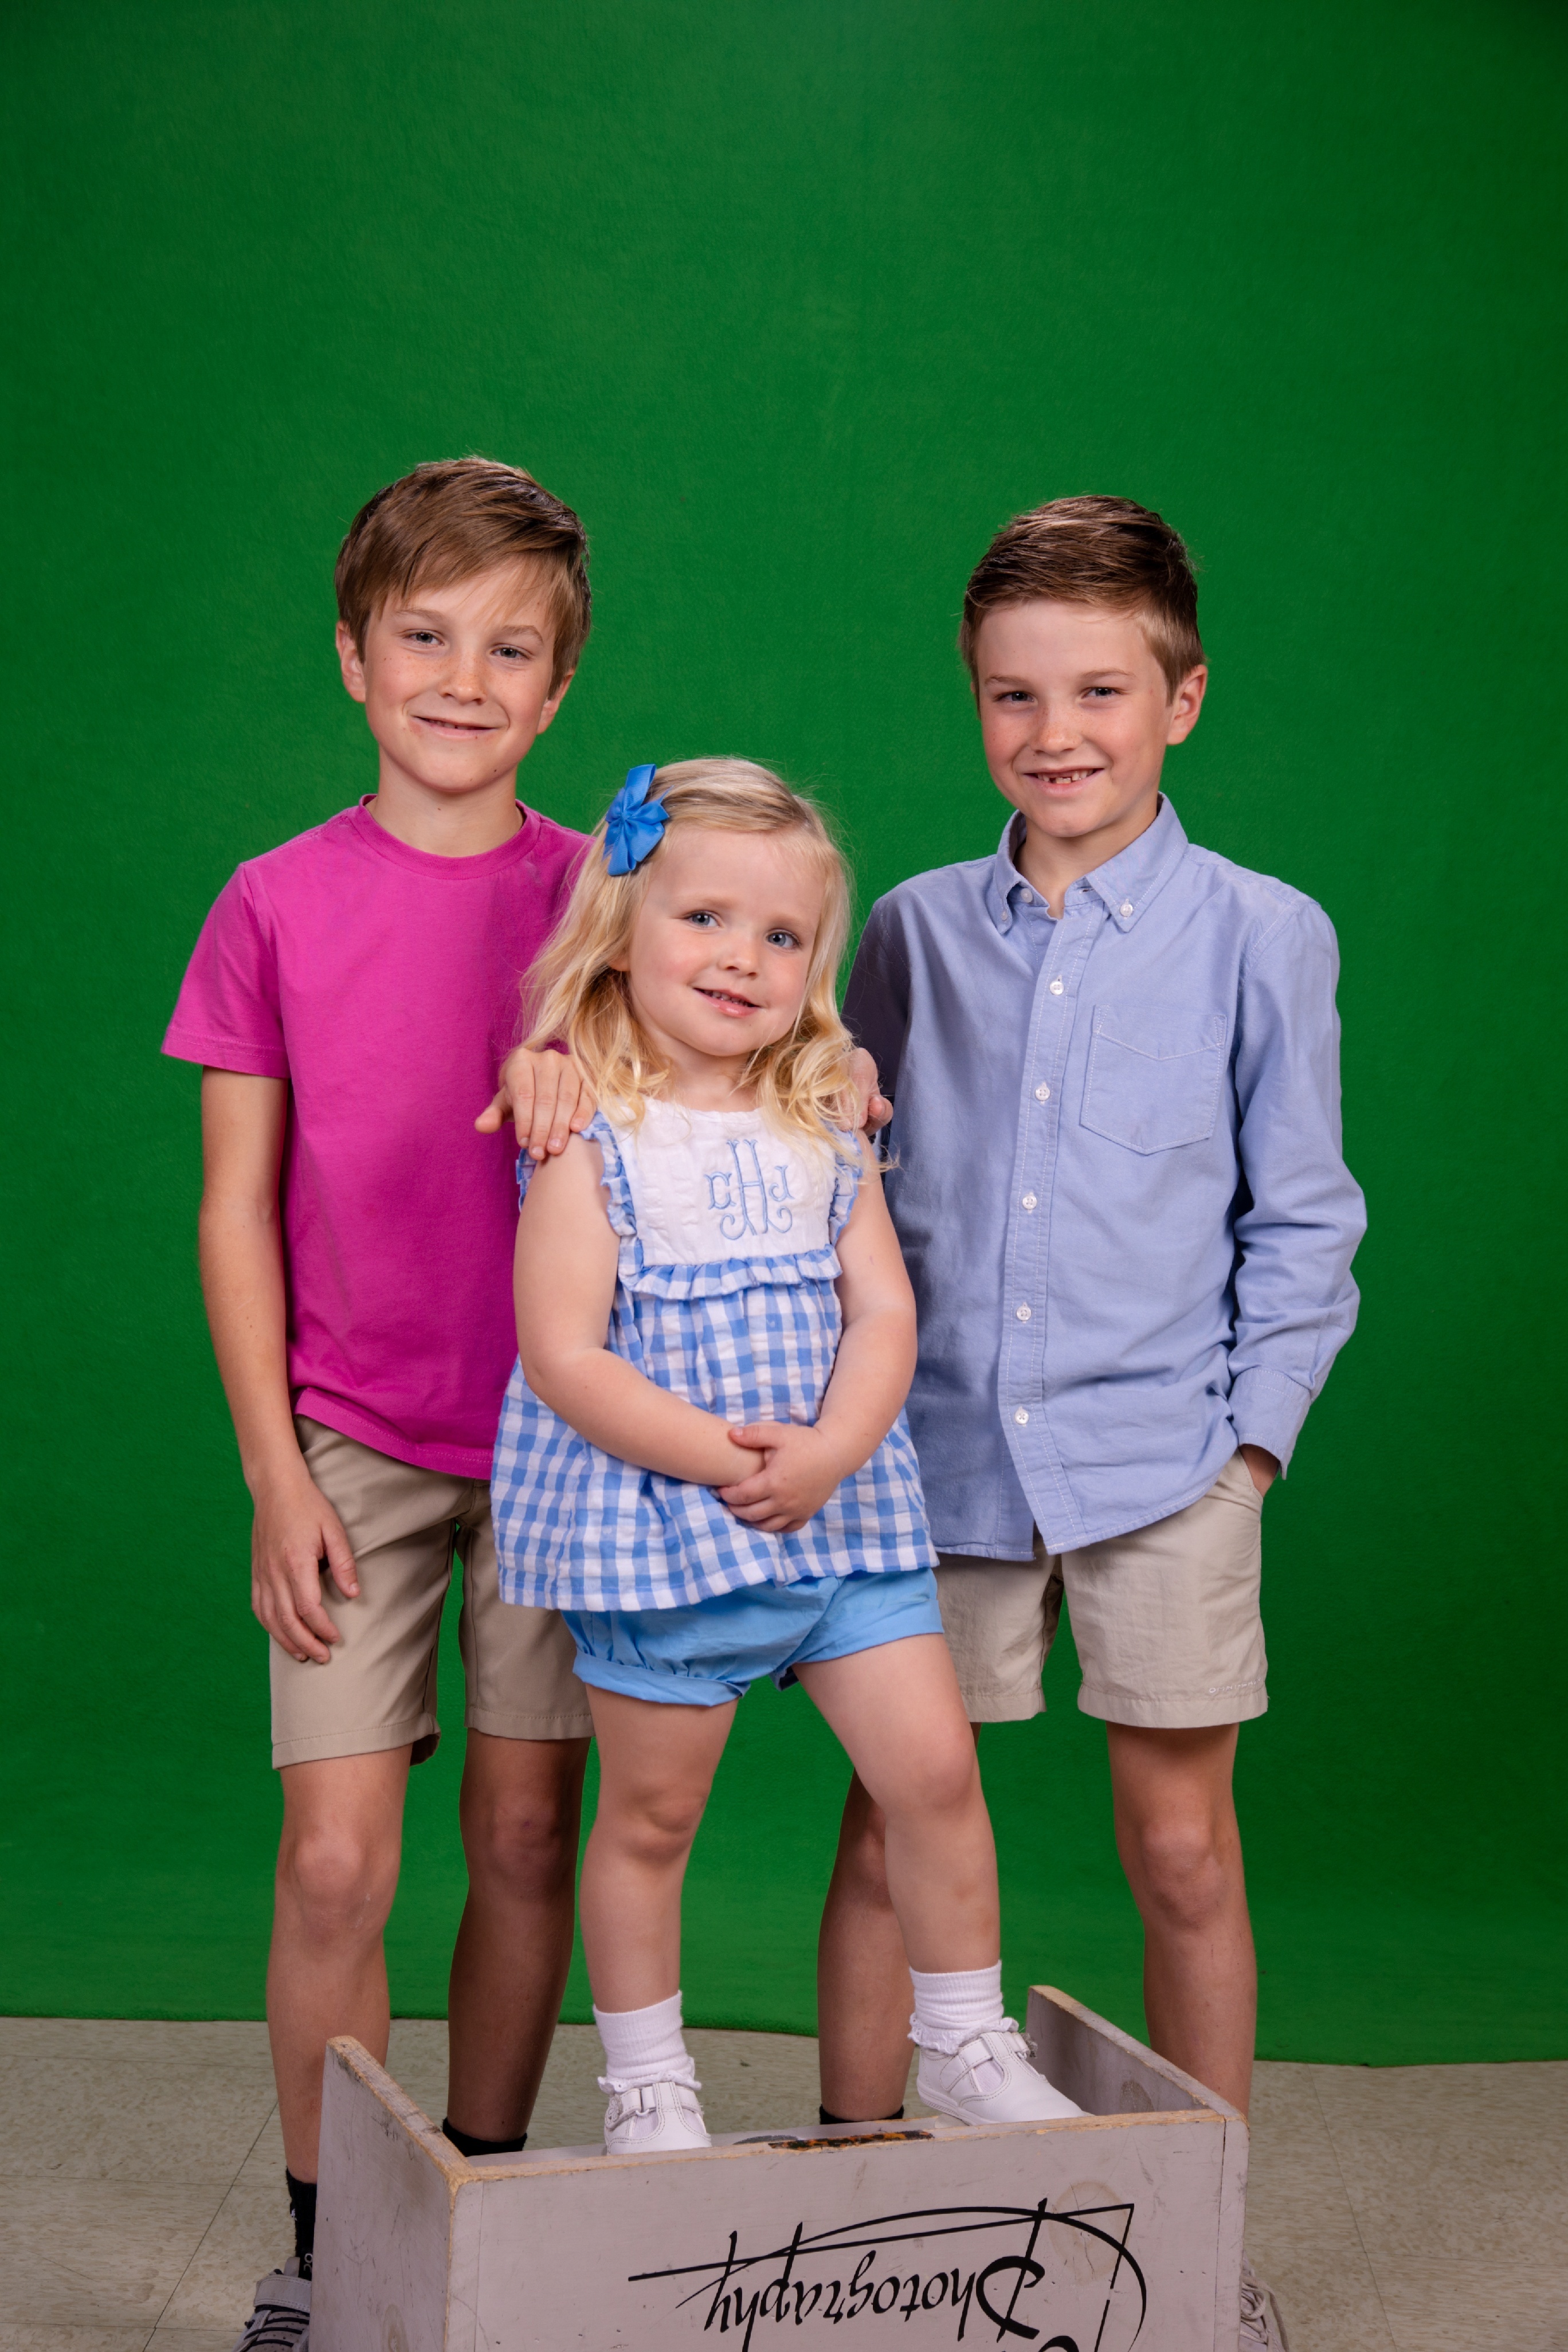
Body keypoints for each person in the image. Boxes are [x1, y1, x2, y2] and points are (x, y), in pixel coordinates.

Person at [824, 496, 1363, 2349]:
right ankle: (844, 2210)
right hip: (942, 1459)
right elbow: (845, 1172)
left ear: (1180, 700)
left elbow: (1302, 1217)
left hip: (1166, 1463)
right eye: (1013, 695)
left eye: (1100, 692)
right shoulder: (909, 931)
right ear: (975, 703)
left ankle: (1199, 2250)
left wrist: (1249, 1448)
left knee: (1182, 1849)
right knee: (892, 1827)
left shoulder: (1262, 935)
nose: (1055, 732)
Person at [164, 458, 609, 2350]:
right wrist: (275, 1473)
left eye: (509, 650)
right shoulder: (273, 902)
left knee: (522, 1837)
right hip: (350, 1435)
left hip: (568, 1439)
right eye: (424, 636)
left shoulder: (601, 897)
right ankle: (328, 2246)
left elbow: (729, 1093)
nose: (461, 679)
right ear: (354, 656)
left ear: (556, 690)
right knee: (338, 1856)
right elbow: (235, 1208)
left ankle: (478, 2203)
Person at [491, 757, 1083, 2154]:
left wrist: (833, 1449)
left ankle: (965, 2039)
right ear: (622, 930)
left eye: (781, 935)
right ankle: (649, 2088)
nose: (741, 958)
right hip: (665, 1535)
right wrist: (725, 1459)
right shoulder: (589, 1134)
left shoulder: (826, 1117)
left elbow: (883, 1307)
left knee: (934, 1777)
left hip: (842, 1523)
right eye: (703, 919)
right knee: (651, 1823)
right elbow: (566, 1356)